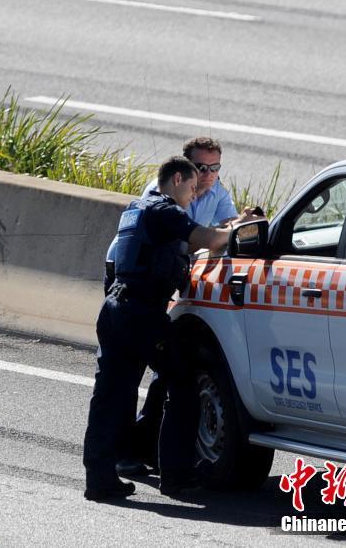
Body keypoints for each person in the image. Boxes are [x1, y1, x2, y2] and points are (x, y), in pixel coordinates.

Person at [83, 156, 262, 501]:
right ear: (177, 178)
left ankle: (99, 480)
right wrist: (242, 227)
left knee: (108, 397)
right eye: (192, 188)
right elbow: (209, 240)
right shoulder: (166, 210)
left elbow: (186, 242)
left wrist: (232, 223)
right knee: (183, 382)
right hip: (142, 312)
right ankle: (177, 476)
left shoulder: (138, 208)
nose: (194, 196)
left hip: (116, 309)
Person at [120, 137, 241, 477]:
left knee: (168, 375)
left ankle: (149, 449)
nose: (208, 176)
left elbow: (223, 227)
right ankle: (125, 454)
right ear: (183, 173)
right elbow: (205, 237)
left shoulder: (216, 192)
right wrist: (231, 230)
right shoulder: (161, 200)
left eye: (215, 168)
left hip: (168, 286)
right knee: (129, 375)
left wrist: (235, 224)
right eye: (201, 169)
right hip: (137, 288)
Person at [142, 137, 238, 227]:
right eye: (201, 167)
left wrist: (245, 222)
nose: (209, 174)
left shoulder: (217, 189)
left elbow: (231, 224)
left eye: (215, 167)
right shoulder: (168, 189)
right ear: (187, 165)